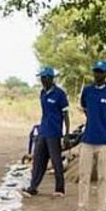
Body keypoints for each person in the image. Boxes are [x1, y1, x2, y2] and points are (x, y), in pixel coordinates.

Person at [68, 60, 106, 211]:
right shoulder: (88, 91)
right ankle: (81, 209)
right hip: (87, 140)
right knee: (84, 176)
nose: (98, 74)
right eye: (96, 71)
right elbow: (85, 109)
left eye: (101, 72)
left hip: (104, 142)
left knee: (103, 178)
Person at [25, 67, 70, 197]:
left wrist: (66, 134)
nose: (42, 80)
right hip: (43, 131)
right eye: (41, 78)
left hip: (54, 133)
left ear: (51, 78)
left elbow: (66, 114)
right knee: (38, 160)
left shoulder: (60, 94)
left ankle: (59, 189)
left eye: (44, 78)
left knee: (56, 162)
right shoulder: (42, 93)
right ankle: (33, 187)